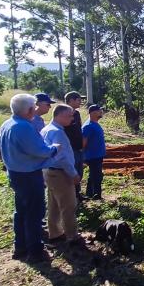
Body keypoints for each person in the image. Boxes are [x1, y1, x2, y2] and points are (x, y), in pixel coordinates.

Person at [0, 93, 60, 263]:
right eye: (34, 107)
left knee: (21, 211)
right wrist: (54, 148)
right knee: (34, 213)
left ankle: (21, 247)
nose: (35, 109)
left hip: (15, 174)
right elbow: (40, 150)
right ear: (29, 109)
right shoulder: (24, 127)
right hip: (29, 175)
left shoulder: (7, 124)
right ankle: (36, 251)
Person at [41, 104, 84, 247]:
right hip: (60, 173)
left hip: (49, 172)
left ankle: (55, 234)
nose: (72, 118)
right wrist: (73, 173)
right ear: (59, 116)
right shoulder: (58, 132)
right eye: (69, 115)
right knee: (69, 205)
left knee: (54, 205)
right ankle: (72, 236)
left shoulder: (47, 129)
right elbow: (62, 157)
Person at [63, 91, 86, 202]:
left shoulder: (76, 114)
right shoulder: (62, 113)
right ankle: (71, 196)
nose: (80, 102)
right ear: (71, 100)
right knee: (71, 172)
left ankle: (77, 194)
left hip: (78, 147)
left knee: (79, 172)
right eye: (78, 100)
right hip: (70, 148)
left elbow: (78, 130)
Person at [82, 104, 107, 199]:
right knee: (96, 176)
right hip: (92, 156)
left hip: (97, 155)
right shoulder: (88, 126)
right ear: (92, 113)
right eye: (99, 110)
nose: (101, 112)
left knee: (94, 176)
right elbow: (83, 142)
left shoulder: (95, 123)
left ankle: (90, 194)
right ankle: (96, 197)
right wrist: (82, 157)